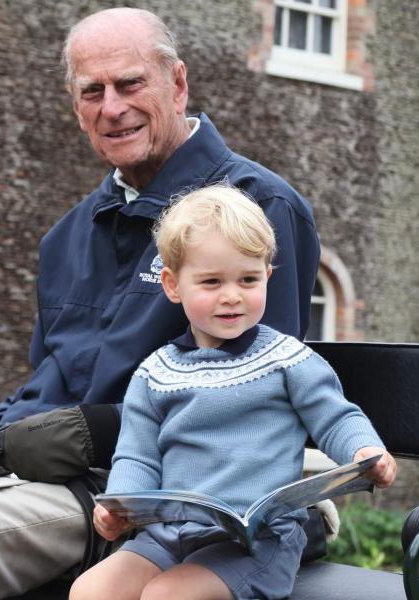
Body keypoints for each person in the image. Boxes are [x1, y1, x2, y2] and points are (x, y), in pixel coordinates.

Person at [0, 8, 320, 600]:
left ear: (177, 84)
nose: (111, 107)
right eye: (92, 91)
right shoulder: (68, 236)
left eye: (129, 84)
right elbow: (49, 385)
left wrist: (93, 432)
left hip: (148, 496)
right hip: (40, 475)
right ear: (77, 110)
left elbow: (257, 402)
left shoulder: (258, 207)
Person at [69, 186, 397, 600]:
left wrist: (365, 450)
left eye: (248, 279)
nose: (231, 295)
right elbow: (137, 456)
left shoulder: (286, 359)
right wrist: (118, 508)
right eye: (211, 281)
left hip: (256, 542)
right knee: (90, 591)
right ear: (172, 284)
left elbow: (336, 418)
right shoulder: (155, 373)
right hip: (171, 536)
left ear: (267, 277)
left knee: (167, 596)